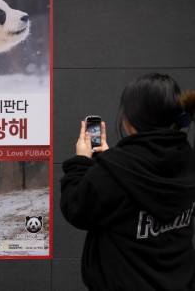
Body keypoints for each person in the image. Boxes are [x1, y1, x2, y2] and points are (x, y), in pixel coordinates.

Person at [61, 73, 195, 290]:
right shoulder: (187, 158)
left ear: (130, 118)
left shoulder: (114, 171)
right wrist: (111, 161)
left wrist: (80, 162)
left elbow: (75, 207)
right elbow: (144, 177)